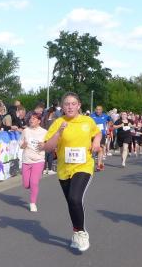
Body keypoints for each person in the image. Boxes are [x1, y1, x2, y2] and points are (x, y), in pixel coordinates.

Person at [42, 92, 101, 252]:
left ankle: (81, 233)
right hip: (64, 169)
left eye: (73, 104)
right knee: (71, 202)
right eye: (67, 104)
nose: (70, 107)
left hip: (83, 166)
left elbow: (97, 132)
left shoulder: (87, 121)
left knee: (75, 198)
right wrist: (59, 133)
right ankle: (76, 231)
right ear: (63, 106)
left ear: (79, 105)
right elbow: (47, 147)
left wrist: (96, 141)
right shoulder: (58, 122)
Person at [20, 111, 46, 211]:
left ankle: (33, 203)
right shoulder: (25, 131)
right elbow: (21, 144)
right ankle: (31, 186)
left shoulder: (44, 132)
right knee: (26, 184)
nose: (31, 120)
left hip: (39, 160)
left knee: (34, 182)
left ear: (39, 121)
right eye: (30, 118)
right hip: (26, 159)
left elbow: (48, 145)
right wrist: (24, 145)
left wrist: (44, 145)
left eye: (34, 118)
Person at [90, 105, 110, 171]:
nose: (98, 111)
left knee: (100, 149)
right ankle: (93, 163)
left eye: (99, 109)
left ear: (102, 110)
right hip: (93, 135)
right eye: (97, 109)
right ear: (95, 110)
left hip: (102, 134)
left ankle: (98, 165)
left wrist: (108, 128)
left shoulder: (105, 116)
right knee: (93, 149)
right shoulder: (91, 116)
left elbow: (110, 121)